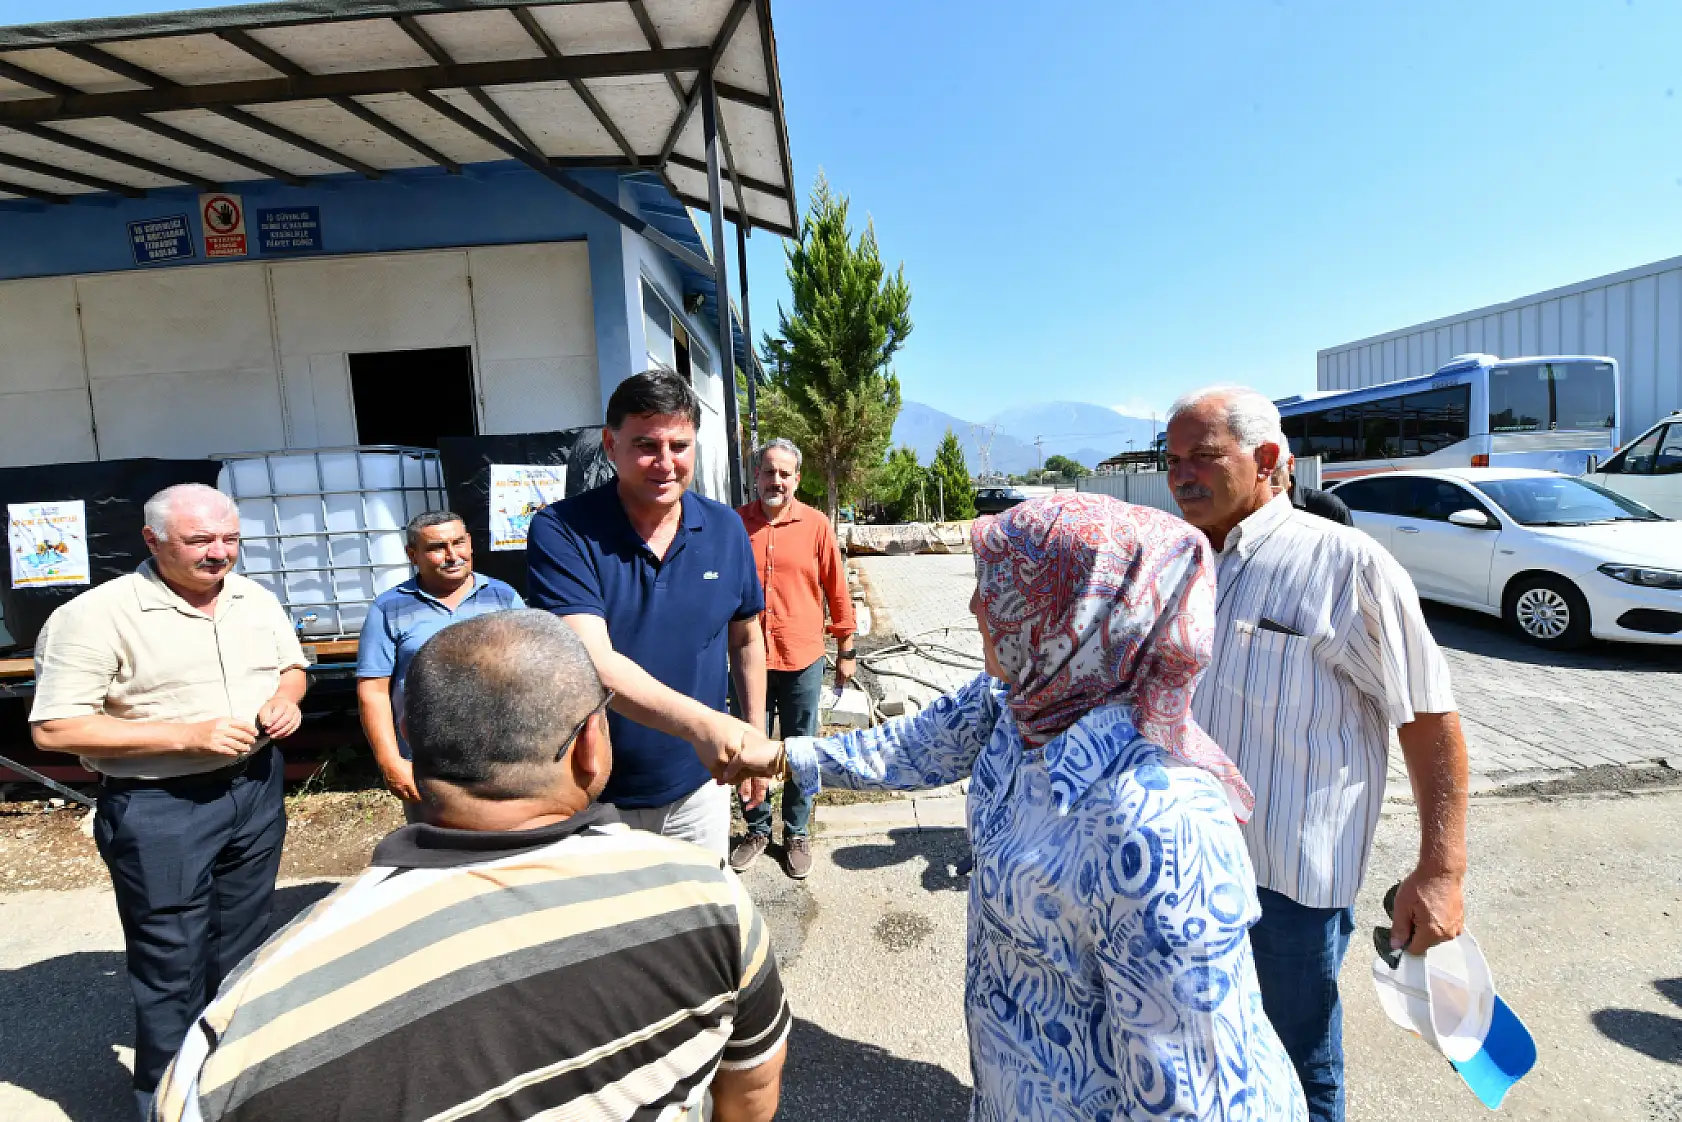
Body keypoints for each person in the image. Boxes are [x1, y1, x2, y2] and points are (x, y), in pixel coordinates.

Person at [727, 493, 1307, 1121]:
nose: (975, 606)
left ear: (1072, 611)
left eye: (997, 588)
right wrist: (779, 756)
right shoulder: (1017, 701)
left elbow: (1195, 1101)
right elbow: (914, 746)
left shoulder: (1159, 825)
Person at [150, 611, 790, 1122]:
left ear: (409, 735)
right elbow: (751, 1093)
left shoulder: (243, 1026)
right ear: (592, 747)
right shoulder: (706, 899)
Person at [1165, 385, 1470, 1122]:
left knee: (1295, 1060)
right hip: (1191, 864)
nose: (1180, 476)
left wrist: (1441, 870)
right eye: (1170, 461)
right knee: (1212, 1045)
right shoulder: (1182, 560)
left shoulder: (1344, 563)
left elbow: (1428, 717)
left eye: (1201, 456)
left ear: (1268, 457)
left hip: (1288, 885)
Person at [28, 483, 307, 1119]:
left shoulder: (252, 597)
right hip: (161, 805)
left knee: (241, 947)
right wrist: (185, 736)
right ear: (152, 541)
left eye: (230, 538)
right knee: (171, 962)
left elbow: (291, 668)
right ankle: (167, 1100)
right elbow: (55, 728)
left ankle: (230, 1079)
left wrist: (285, 699)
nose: (220, 553)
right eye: (200, 540)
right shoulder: (94, 616)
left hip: (254, 788)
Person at [526, 368, 768, 857]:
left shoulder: (725, 528)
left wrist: (753, 733)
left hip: (700, 789)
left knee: (700, 902)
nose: (665, 463)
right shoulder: (564, 531)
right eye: (646, 446)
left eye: (679, 446)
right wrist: (711, 727)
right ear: (610, 445)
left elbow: (746, 638)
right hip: (594, 793)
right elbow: (593, 662)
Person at [730, 438, 856, 879]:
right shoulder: (735, 525)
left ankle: (796, 832)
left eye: (785, 473)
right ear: (756, 476)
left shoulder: (816, 525)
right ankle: (756, 828)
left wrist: (846, 648)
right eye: (769, 472)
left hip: (802, 657)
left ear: (797, 479)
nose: (776, 480)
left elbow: (837, 589)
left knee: (801, 748)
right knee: (751, 744)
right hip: (748, 661)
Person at [356, 510, 523, 820]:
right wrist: (390, 761)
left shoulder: (503, 597)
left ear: (470, 543)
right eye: (436, 548)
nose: (452, 556)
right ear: (412, 555)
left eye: (458, 543)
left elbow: (528, 675)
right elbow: (373, 692)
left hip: (503, 757)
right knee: (438, 845)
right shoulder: (389, 608)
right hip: (428, 764)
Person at [1270, 453, 1354, 526]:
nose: (1265, 478)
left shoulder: (1330, 509)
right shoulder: (1263, 513)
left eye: (1270, 466)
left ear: (1290, 463)